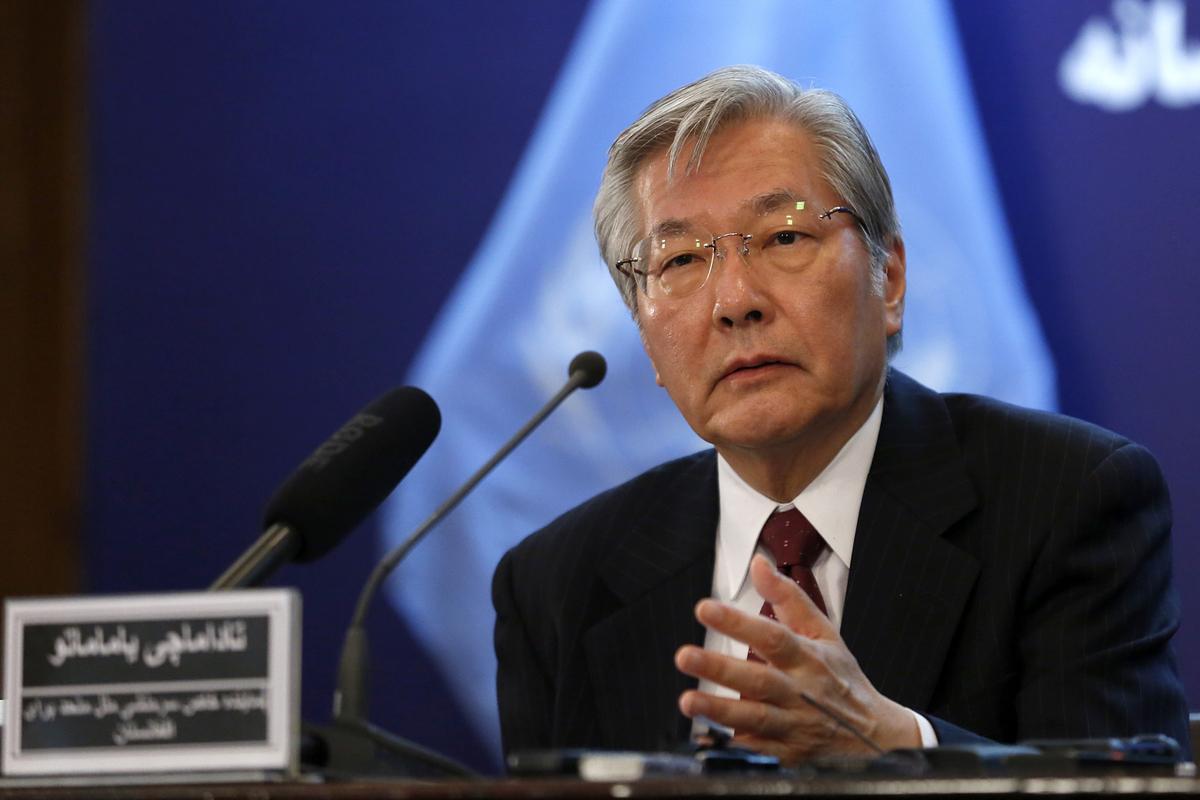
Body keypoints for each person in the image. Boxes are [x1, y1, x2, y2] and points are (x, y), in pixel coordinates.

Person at [492, 65, 1188, 764]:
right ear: (645, 335)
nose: (735, 301)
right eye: (678, 261)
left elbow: (1124, 785)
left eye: (783, 237)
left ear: (890, 280)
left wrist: (895, 747)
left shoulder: (1065, 501)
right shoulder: (557, 586)